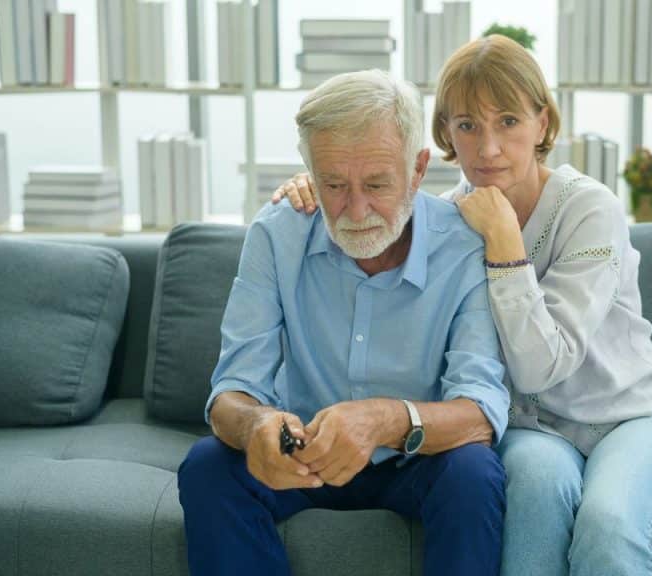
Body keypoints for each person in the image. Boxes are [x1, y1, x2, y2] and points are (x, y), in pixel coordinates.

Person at [269, 36, 652, 576]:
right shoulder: (446, 221)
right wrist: (313, 184)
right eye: (467, 125)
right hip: (532, 433)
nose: (488, 148)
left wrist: (505, 245)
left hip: (635, 420)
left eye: (507, 121)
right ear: (445, 134)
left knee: (609, 526)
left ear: (542, 123)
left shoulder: (590, 209)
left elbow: (541, 366)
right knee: (530, 520)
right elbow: (363, 195)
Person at [178, 69, 510, 576]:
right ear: (310, 171)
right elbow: (231, 392)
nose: (356, 210)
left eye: (377, 184)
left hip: (415, 460)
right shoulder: (276, 234)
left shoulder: (463, 245)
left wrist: (386, 419)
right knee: (208, 467)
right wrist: (257, 426)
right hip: (302, 456)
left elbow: (481, 411)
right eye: (333, 184)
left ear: (418, 169)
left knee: (473, 472)